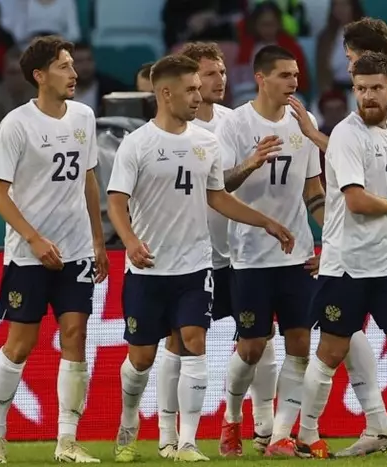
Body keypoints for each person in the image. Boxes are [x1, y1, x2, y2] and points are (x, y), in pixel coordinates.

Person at [107, 54, 295, 463]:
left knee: (194, 342)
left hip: (195, 266)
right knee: (141, 358)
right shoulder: (137, 144)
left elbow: (218, 197)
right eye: (190, 89)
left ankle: (187, 442)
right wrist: (130, 241)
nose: (198, 96)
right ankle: (128, 421)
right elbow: (116, 201)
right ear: (165, 93)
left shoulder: (206, 143)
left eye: (199, 88)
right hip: (148, 267)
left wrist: (266, 221)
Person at [288, 17, 387, 456]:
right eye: (361, 89)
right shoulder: (345, 134)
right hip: (348, 264)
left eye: (375, 88)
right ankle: (306, 433)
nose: (368, 95)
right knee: (330, 352)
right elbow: (357, 200)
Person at [0, 35, 110, 464]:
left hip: (76, 249)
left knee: (76, 335)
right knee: (21, 344)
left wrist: (97, 240)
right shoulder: (16, 124)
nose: (74, 73)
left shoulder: (84, 116)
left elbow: (89, 180)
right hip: (28, 254)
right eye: (63, 66)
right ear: (39, 76)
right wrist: (34, 240)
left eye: (73, 65)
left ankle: (67, 441)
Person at [216, 44, 325, 458]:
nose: (293, 82)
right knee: (252, 347)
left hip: (297, 254)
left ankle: (279, 436)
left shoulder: (304, 122)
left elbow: (313, 190)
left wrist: (330, 235)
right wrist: (251, 162)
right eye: (284, 75)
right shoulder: (236, 123)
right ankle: (232, 418)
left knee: (299, 344)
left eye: (295, 74)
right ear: (261, 79)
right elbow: (219, 185)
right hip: (249, 255)